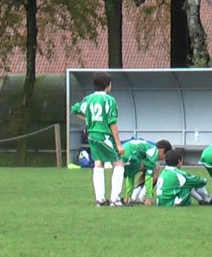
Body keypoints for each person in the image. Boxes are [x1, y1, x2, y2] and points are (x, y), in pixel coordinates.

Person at [70, 71, 125, 206]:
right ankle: (115, 199)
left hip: (92, 135)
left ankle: (100, 199)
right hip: (104, 135)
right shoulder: (109, 100)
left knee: (98, 163)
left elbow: (75, 109)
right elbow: (112, 123)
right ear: (108, 85)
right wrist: (118, 144)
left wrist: (89, 119)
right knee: (118, 163)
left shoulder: (88, 99)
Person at [120, 137, 171, 205]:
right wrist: (149, 197)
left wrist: (128, 194)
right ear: (162, 150)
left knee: (132, 173)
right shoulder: (154, 152)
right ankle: (142, 197)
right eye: (165, 156)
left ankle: (131, 197)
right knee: (155, 168)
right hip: (130, 155)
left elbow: (130, 174)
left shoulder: (149, 146)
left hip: (122, 152)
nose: (163, 159)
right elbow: (149, 176)